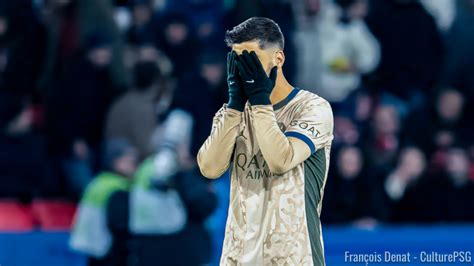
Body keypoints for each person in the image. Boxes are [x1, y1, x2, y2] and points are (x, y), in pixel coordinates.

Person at [197, 17, 334, 265]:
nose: (243, 70)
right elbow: (209, 168)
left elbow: (280, 160)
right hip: (237, 258)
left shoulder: (312, 108)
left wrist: (260, 101)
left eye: (250, 60)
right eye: (238, 61)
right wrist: (236, 106)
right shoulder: (231, 113)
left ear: (278, 59)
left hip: (294, 258)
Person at [70, 138, 138, 266]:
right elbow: (120, 225)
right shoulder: (118, 187)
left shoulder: (98, 182)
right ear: (116, 161)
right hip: (110, 249)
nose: (134, 165)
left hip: (92, 245)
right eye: (130, 160)